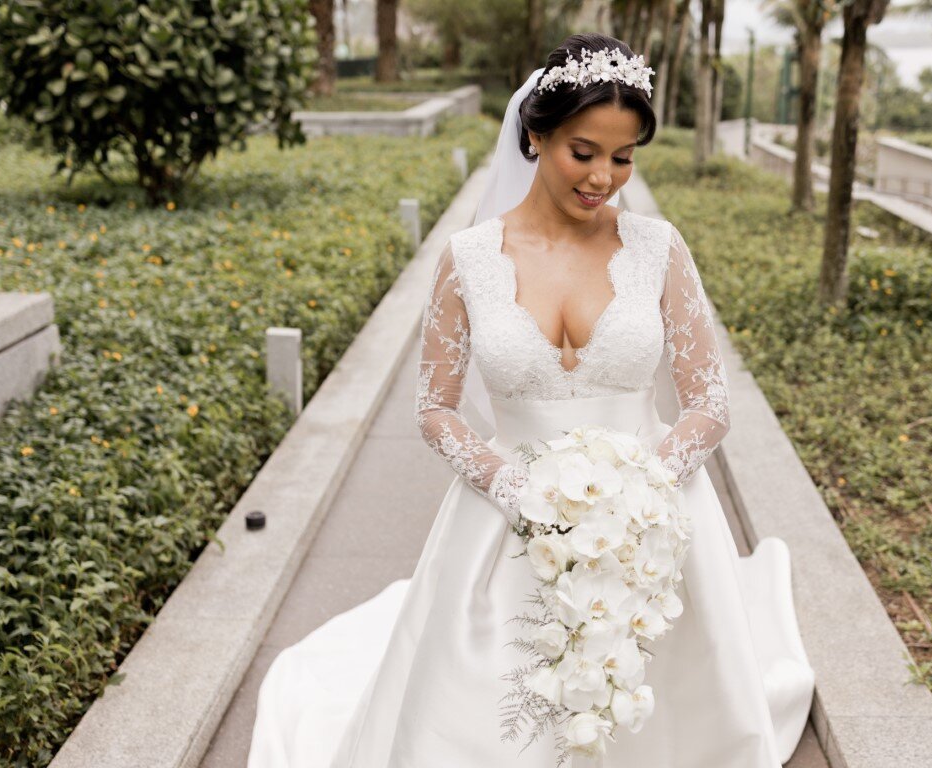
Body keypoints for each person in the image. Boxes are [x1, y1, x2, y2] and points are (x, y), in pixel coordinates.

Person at [247, 32, 814, 767]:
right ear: (536, 135)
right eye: (584, 152)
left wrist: (640, 482)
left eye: (624, 156)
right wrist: (514, 488)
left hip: (651, 517)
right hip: (509, 518)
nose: (605, 177)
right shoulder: (470, 260)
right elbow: (436, 408)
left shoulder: (659, 249)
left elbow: (709, 403)